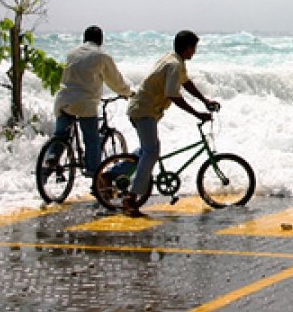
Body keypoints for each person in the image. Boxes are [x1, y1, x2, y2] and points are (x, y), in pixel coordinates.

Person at [121, 30, 218, 216]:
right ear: (187, 48)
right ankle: (130, 198)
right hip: (144, 111)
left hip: (144, 109)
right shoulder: (174, 65)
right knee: (152, 151)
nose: (194, 52)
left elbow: (186, 83)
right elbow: (172, 94)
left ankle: (111, 174)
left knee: (146, 150)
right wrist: (197, 113)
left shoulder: (174, 60)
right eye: (193, 48)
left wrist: (205, 101)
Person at [46, 26, 133, 177]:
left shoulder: (72, 53)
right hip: (84, 103)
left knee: (60, 135)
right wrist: (128, 92)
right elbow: (115, 81)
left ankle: (51, 159)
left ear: (84, 38)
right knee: (91, 140)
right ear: (101, 40)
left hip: (63, 100)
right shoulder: (101, 56)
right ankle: (94, 173)